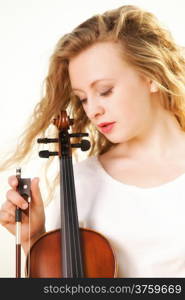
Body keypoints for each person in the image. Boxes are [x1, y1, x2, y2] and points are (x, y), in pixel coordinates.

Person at [0, 4, 185, 277]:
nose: (92, 110)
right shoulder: (82, 181)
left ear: (152, 77)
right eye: (83, 98)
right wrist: (33, 239)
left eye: (105, 91)